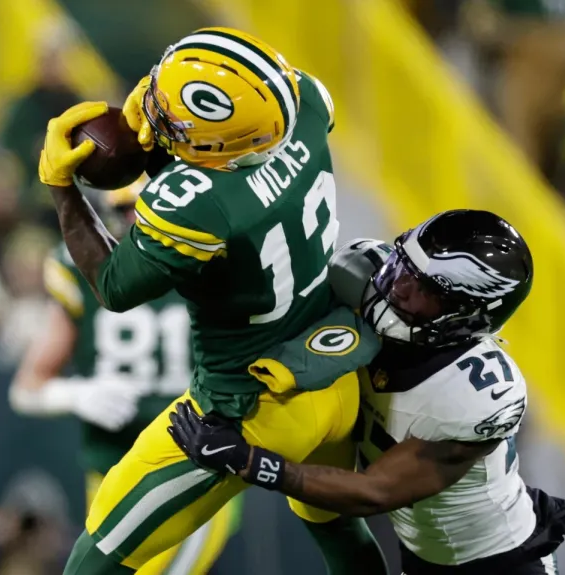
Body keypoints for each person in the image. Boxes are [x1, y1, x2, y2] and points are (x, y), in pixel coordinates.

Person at [37, 27, 387, 575]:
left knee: (98, 552)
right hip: (334, 371)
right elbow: (238, 175)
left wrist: (61, 187)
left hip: (246, 408)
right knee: (338, 527)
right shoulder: (306, 103)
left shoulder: (194, 206)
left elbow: (113, 286)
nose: (152, 106)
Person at [169, 210, 565, 575]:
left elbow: (374, 492)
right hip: (421, 555)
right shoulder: (357, 279)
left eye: (427, 290)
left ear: (465, 315)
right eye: (403, 266)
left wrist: (251, 462)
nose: (400, 287)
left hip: (500, 563)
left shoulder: (471, 393)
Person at [9, 180, 240, 574]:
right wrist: (77, 394)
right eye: (124, 210)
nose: (136, 220)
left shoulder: (213, 259)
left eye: (147, 207)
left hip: (197, 466)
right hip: (112, 468)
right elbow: (26, 388)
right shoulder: (79, 268)